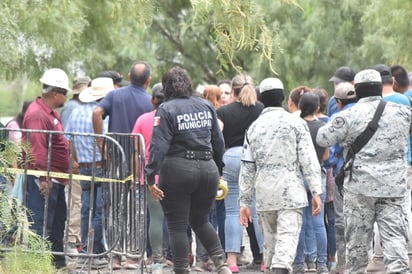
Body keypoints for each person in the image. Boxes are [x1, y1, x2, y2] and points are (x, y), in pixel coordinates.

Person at [317, 69, 411, 273]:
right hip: (393, 188)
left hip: (359, 189)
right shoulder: (403, 111)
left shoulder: (348, 115)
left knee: (357, 247)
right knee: (395, 238)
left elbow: (322, 138)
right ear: (380, 87)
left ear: (357, 90)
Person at [144, 66, 231, 274]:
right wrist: (219, 170)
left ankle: (182, 270)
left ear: (166, 88)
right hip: (208, 168)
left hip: (177, 169)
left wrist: (150, 176)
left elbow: (159, 145)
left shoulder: (166, 109)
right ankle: (222, 265)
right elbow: (218, 142)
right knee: (200, 220)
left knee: (176, 224)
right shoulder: (206, 105)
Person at [239, 77, 322, 274]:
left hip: (265, 193)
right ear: (283, 97)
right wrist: (316, 190)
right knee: (287, 241)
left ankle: (273, 269)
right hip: (290, 191)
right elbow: (308, 159)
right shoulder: (296, 124)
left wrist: (244, 202)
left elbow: (247, 167)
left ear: (261, 99)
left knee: (271, 243)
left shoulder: (253, 128)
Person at [93, 61, 153, 270]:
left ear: (128, 75)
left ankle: (116, 257)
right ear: (148, 81)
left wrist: (101, 142)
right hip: (140, 162)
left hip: (116, 159)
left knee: (115, 208)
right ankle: (133, 257)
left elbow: (96, 113)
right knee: (137, 209)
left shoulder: (114, 95)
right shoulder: (149, 101)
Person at [22, 68, 78, 269]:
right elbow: (37, 150)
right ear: (55, 93)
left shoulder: (51, 113)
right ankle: (39, 263)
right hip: (44, 179)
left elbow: (58, 143)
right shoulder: (37, 115)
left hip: (55, 179)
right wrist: (44, 178)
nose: (67, 96)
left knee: (57, 221)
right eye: (65, 92)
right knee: (41, 222)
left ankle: (57, 261)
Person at [216, 73, 264, 273]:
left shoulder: (224, 111)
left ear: (233, 90)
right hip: (254, 159)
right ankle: (264, 259)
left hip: (232, 158)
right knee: (256, 209)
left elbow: (217, 139)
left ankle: (232, 261)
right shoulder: (262, 110)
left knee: (232, 211)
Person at [65, 77, 114, 269]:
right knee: (100, 210)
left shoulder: (75, 112)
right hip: (101, 165)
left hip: (83, 166)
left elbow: (70, 139)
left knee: (86, 209)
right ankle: (97, 251)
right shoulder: (104, 115)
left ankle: (85, 249)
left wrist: (76, 159)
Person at [293, 92, 329, 274]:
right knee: (318, 222)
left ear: (299, 106)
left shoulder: (295, 126)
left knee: (299, 222)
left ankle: (299, 263)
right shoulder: (322, 127)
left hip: (298, 175)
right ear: (317, 108)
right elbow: (326, 155)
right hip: (317, 175)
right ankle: (321, 263)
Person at [132, 82, 166, 274]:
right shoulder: (174, 118)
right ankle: (179, 257)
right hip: (174, 174)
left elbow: (136, 150)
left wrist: (138, 175)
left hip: (150, 176)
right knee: (177, 218)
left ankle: (158, 261)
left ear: (152, 100)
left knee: (156, 218)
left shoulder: (142, 120)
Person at [324, 82, 357, 274]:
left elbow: (333, 150)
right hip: (367, 175)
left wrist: (328, 165)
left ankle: (343, 263)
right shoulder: (367, 113)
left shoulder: (338, 118)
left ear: (338, 101)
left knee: (340, 219)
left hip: (342, 175)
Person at [60, 76, 91, 257]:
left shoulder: (71, 108)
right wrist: (73, 160)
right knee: (77, 201)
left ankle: (76, 238)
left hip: (77, 160)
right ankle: (73, 239)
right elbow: (67, 139)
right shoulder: (73, 109)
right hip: (77, 161)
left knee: (78, 201)